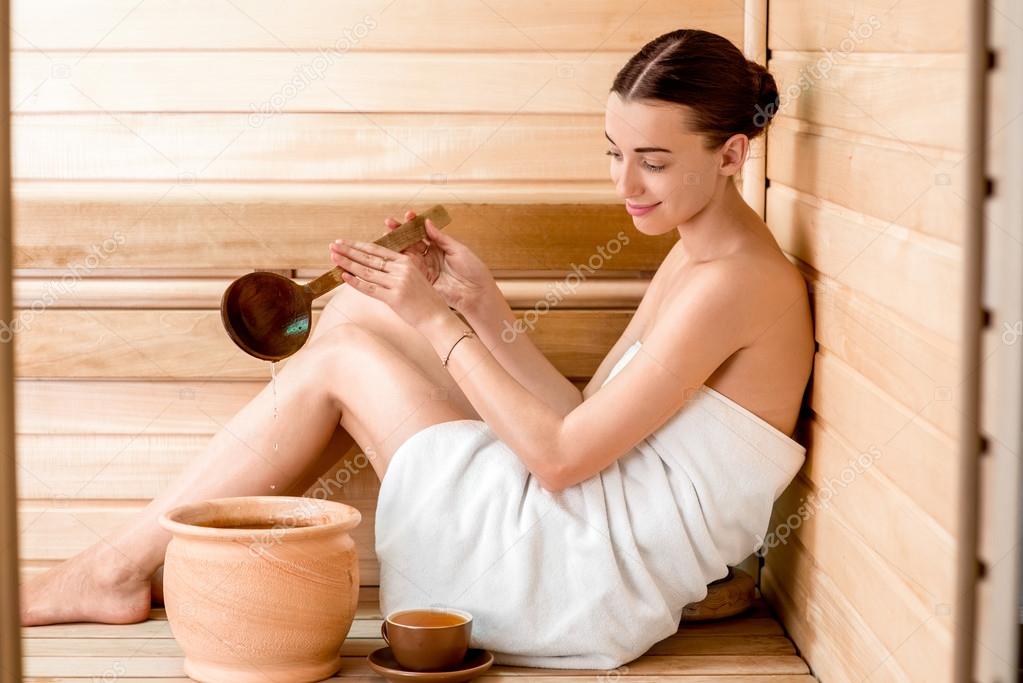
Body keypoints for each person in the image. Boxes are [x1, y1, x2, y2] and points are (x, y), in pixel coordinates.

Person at [20, 27, 813, 669]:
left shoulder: (733, 284)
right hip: (586, 518)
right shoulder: (698, 253)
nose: (624, 184)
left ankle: (119, 567)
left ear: (731, 155)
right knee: (357, 322)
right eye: (613, 151)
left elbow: (564, 457)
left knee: (342, 352)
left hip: (580, 571)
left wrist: (442, 324)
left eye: (653, 161)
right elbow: (582, 412)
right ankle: (134, 563)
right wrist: (479, 303)